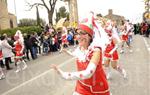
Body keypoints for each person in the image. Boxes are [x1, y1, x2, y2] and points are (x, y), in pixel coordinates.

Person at [51, 13, 110, 95]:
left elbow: (88, 73)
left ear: (90, 36)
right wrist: (66, 51)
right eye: (77, 33)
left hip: (97, 89)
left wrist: (64, 74)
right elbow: (75, 54)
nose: (78, 37)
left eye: (82, 33)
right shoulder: (80, 48)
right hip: (81, 86)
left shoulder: (96, 51)